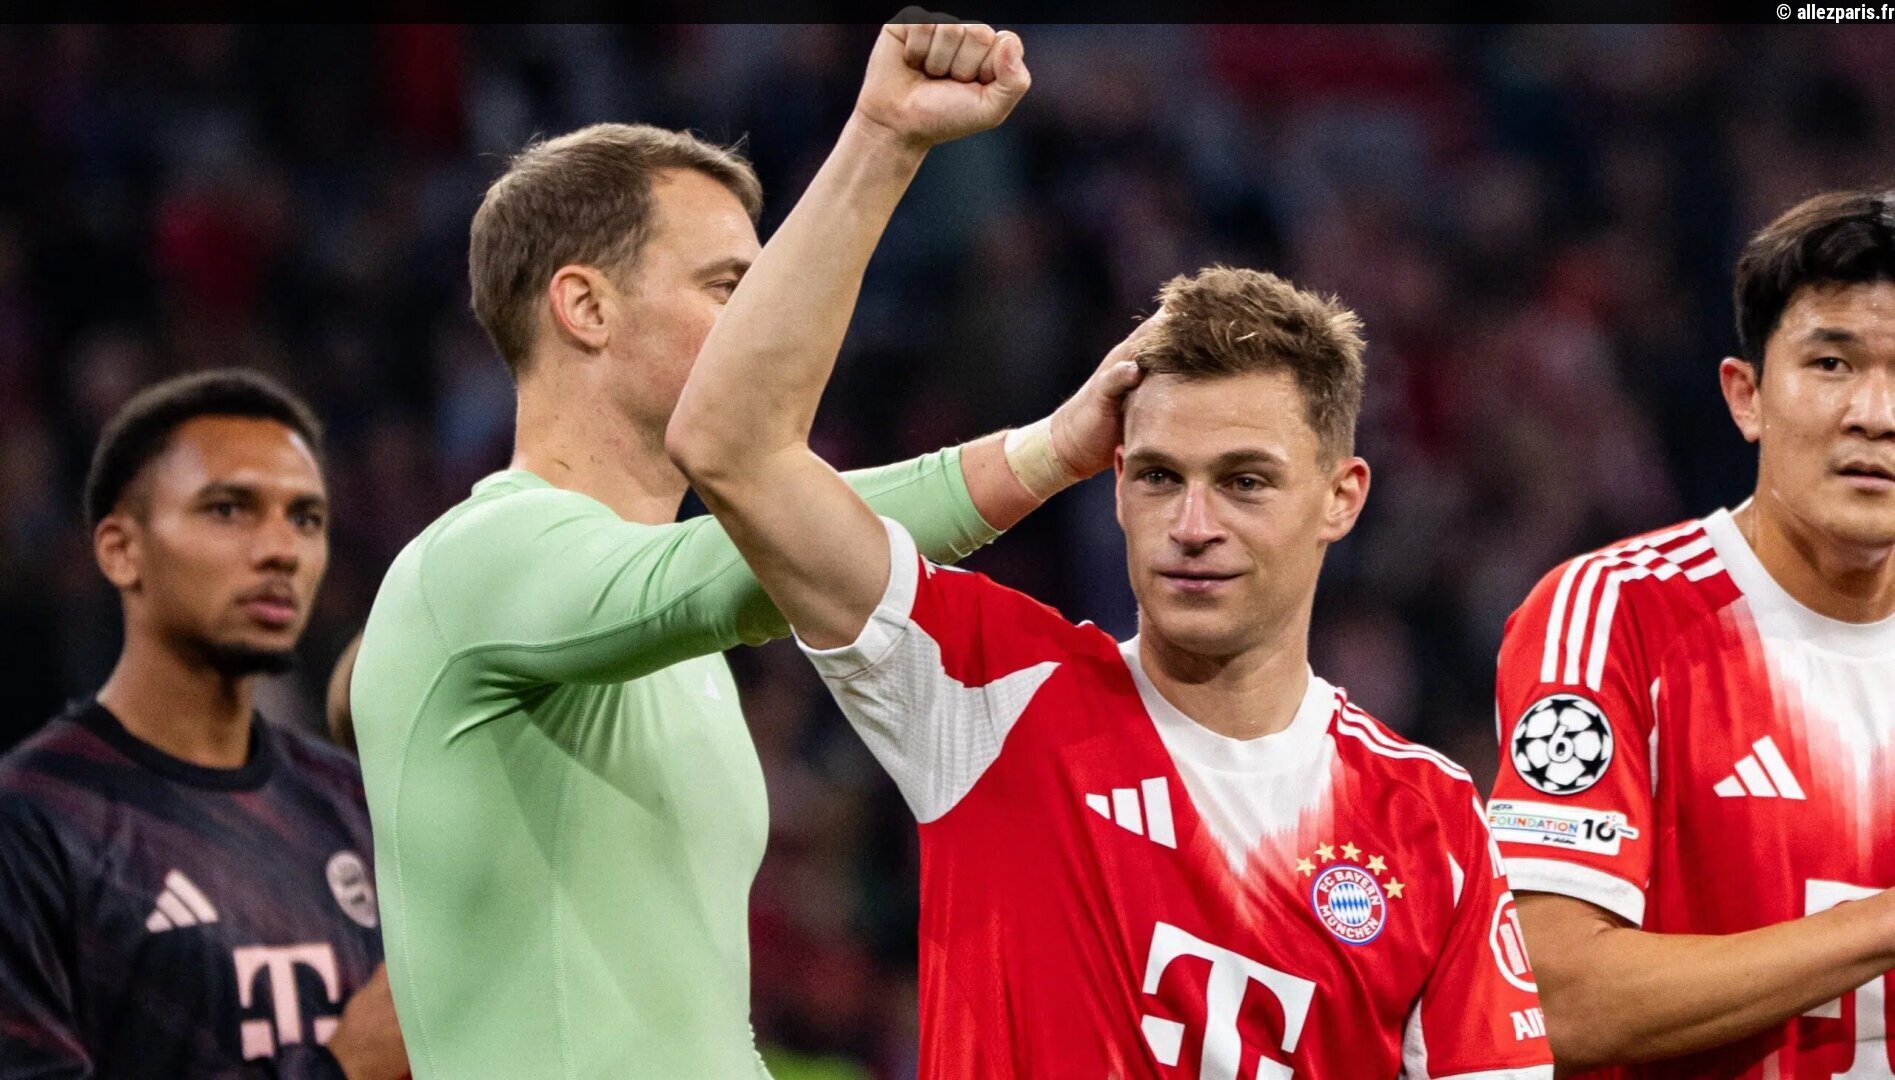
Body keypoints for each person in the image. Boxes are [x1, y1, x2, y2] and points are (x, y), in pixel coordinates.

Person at [666, 20, 1553, 1079]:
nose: (1193, 524)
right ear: (1116, 484)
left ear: (1340, 497)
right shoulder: (986, 690)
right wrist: (882, 138)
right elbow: (728, 447)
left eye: (1245, 482)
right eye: (1159, 477)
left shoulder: (1430, 824)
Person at [346, 16, 1137, 1079]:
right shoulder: (472, 562)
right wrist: (882, 140)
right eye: (729, 287)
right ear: (583, 307)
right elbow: (758, 557)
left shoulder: (669, 633)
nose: (765, 319)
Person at [1490, 190, 1895, 1077]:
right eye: (1831, 363)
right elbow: (1552, 1000)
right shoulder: (1611, 615)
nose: (1874, 413)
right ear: (1746, 397)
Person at [0, 370, 407, 1079]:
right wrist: (339, 1070)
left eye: (306, 519)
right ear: (120, 550)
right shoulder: (33, 822)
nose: (281, 549)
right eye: (228, 510)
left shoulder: (350, 802)